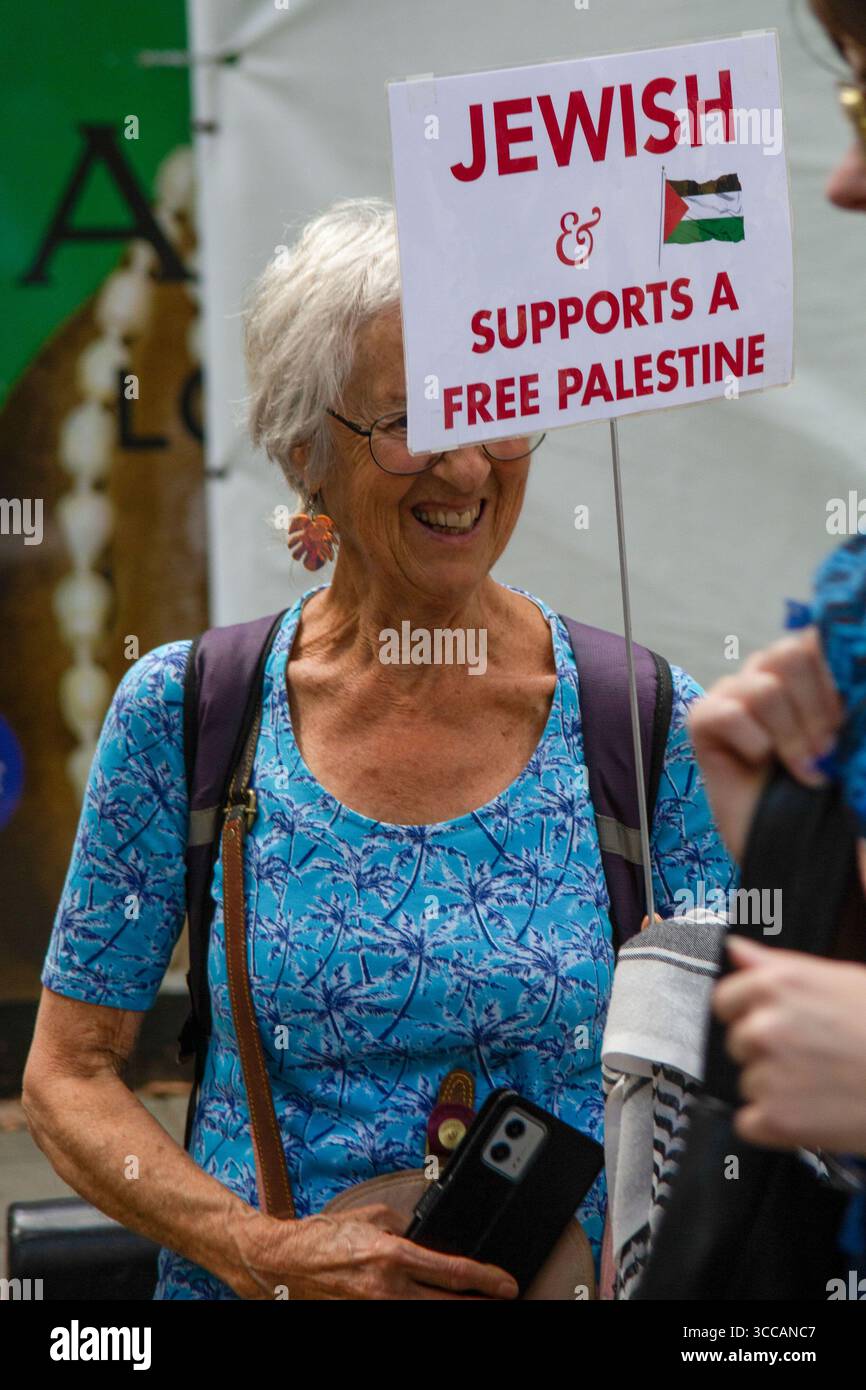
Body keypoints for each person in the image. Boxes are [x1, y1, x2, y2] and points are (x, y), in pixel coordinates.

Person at [22, 197, 731, 1300]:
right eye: (409, 422)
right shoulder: (191, 712)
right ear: (307, 452)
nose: (464, 470)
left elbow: (741, 1076)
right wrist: (259, 1250)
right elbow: (69, 1077)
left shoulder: (635, 723)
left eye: (496, 409)